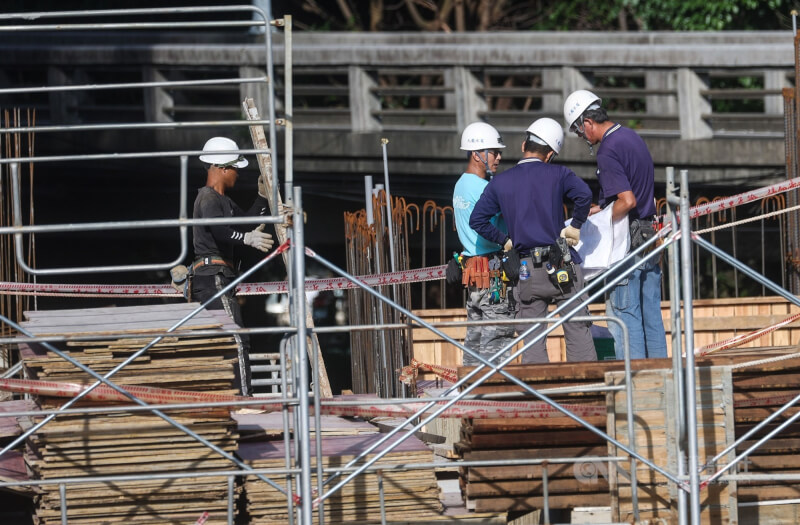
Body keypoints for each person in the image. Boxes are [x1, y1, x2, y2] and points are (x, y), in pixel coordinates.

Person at [470, 118, 596, 363]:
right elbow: (584, 195)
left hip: (526, 269)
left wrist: (505, 240)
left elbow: (477, 220)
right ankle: (586, 392)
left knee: (532, 337)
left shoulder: (502, 182)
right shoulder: (559, 173)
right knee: (577, 329)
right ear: (550, 154)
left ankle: (539, 397)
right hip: (562, 265)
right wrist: (576, 226)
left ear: (523, 145)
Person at [563, 89, 667, 359]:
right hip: (649, 235)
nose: (583, 138)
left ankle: (632, 391)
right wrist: (599, 210)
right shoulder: (631, 137)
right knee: (651, 315)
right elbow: (637, 194)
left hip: (627, 242)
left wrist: (599, 222)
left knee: (624, 315)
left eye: (579, 132)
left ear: (587, 123)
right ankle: (659, 384)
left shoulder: (608, 150)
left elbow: (627, 201)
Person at [190, 136, 274, 395]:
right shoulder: (208, 198)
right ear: (222, 168)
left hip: (219, 276)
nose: (237, 174)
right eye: (235, 168)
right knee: (237, 339)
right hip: (213, 276)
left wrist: (262, 198)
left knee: (228, 340)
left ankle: (231, 396)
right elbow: (220, 230)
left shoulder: (223, 201)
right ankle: (243, 399)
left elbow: (245, 223)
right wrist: (246, 239)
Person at [452, 122, 517, 367]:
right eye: (494, 152)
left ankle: (469, 392)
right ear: (476, 154)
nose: (499, 157)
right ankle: (495, 396)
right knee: (497, 340)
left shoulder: (460, 185)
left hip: (474, 271)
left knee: (475, 338)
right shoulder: (484, 189)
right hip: (492, 272)